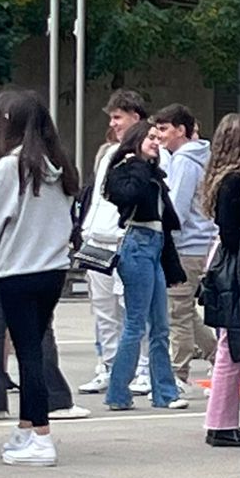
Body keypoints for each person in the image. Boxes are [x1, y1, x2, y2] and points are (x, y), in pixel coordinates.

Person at [0, 90, 79, 465]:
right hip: (53, 269)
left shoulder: (9, 167)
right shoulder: (60, 164)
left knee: (28, 353)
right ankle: (26, 426)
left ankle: (41, 435)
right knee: (32, 345)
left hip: (17, 268)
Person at [102, 121, 187, 413]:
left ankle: (164, 392)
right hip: (136, 245)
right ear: (137, 140)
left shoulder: (152, 173)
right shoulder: (128, 170)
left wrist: (173, 270)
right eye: (150, 137)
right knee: (136, 324)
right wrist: (139, 162)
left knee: (160, 326)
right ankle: (118, 392)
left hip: (154, 245)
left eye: (157, 136)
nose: (156, 141)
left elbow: (164, 223)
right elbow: (129, 197)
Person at [79, 91, 149, 396]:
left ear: (135, 117)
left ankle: (142, 368)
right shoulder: (109, 152)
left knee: (132, 309)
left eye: (118, 117)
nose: (113, 122)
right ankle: (108, 365)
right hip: (98, 237)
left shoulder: (148, 151)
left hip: (126, 237)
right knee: (104, 309)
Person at [200, 113, 240, 448]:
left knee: (231, 343)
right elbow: (231, 231)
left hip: (225, 260)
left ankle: (221, 421)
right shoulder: (236, 182)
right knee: (231, 345)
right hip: (235, 264)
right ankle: (220, 422)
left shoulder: (223, 178)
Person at [152, 104, 216, 387]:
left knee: (177, 310)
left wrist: (164, 236)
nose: (160, 136)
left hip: (187, 246)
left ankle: (178, 372)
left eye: (165, 129)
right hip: (203, 242)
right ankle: (214, 352)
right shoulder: (204, 156)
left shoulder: (183, 161)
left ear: (181, 130)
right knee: (185, 309)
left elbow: (176, 208)